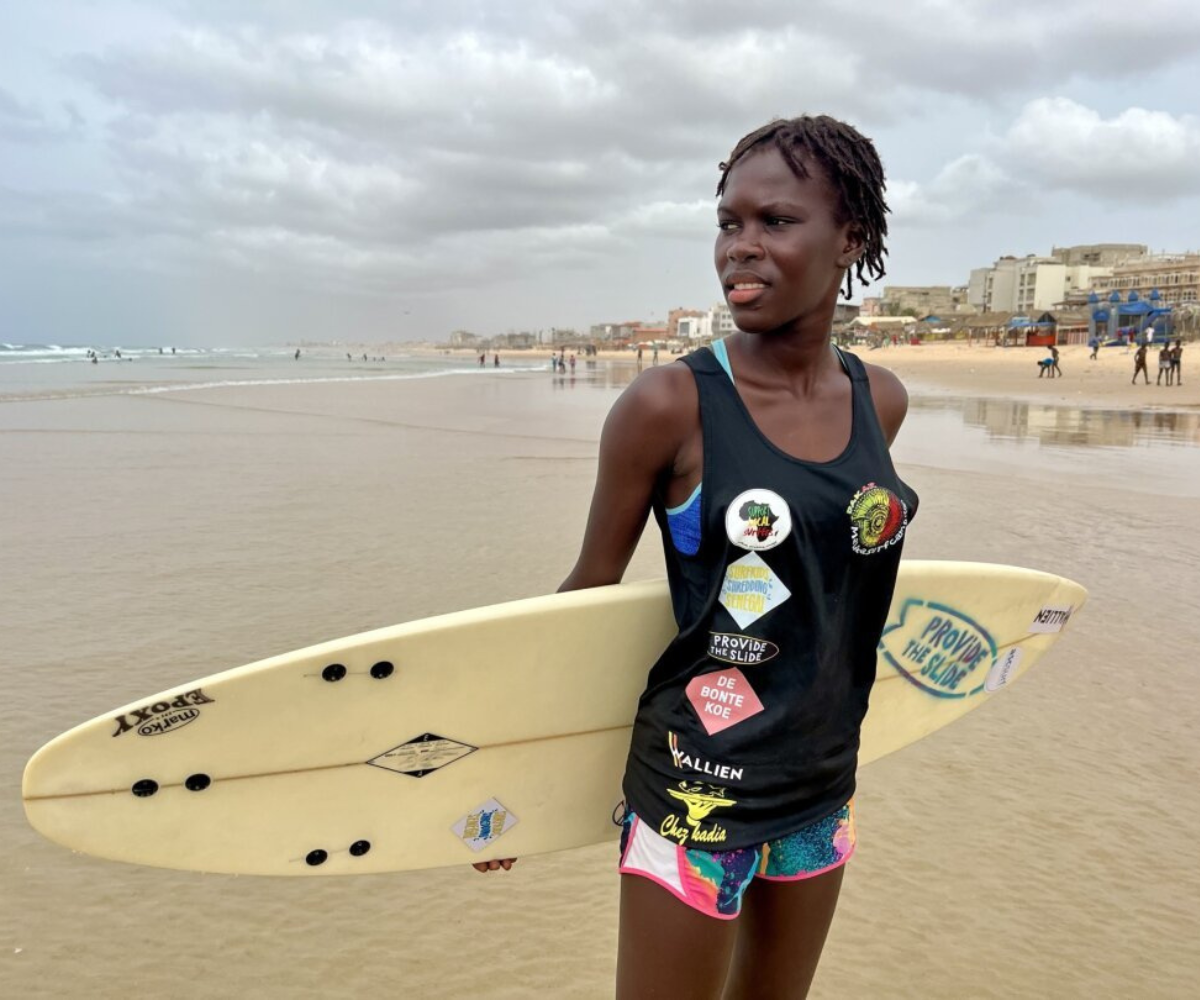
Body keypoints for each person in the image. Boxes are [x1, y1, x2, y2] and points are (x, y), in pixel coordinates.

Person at [475, 115, 917, 999]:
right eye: (728, 223)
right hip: (693, 789)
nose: (740, 248)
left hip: (823, 780)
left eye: (775, 222)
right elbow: (586, 596)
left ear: (851, 239)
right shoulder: (670, 403)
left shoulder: (882, 401)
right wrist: (510, 789)